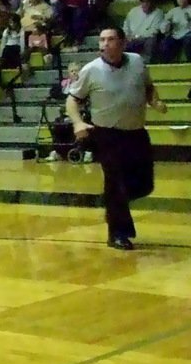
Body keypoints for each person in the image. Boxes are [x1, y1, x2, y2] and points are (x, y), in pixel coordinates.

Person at [66, 27, 166, 250]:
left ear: (122, 42)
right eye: (102, 40)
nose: (104, 44)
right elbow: (72, 101)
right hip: (107, 135)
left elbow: (148, 87)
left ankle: (113, 204)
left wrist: (155, 102)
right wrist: (78, 123)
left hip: (136, 133)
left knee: (144, 184)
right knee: (116, 182)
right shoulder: (91, 70)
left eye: (110, 39)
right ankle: (117, 233)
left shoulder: (138, 62)